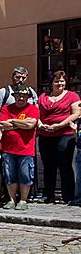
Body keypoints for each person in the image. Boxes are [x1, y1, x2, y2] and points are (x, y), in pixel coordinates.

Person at [37, 71, 80, 204]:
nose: (59, 83)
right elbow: (36, 113)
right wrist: (41, 125)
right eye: (56, 81)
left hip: (65, 135)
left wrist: (60, 125)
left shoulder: (72, 96)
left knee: (65, 165)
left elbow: (77, 113)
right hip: (45, 135)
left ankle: (68, 195)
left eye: (62, 81)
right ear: (51, 83)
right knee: (48, 166)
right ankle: (48, 195)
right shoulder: (43, 97)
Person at [0, 84, 39, 210]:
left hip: (26, 149)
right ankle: (11, 199)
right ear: (14, 96)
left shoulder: (33, 109)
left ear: (28, 97)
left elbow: (31, 124)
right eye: (19, 96)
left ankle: (23, 200)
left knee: (25, 175)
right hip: (8, 148)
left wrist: (13, 121)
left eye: (24, 96)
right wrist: (23, 123)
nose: (21, 98)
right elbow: (2, 124)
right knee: (9, 175)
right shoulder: (6, 108)